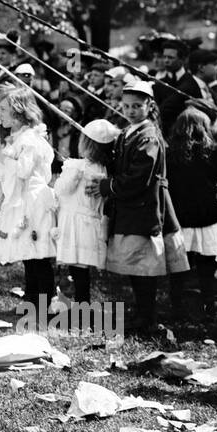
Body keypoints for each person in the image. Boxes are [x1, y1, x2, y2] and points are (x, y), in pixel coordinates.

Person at [90, 79, 188, 335]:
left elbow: (138, 177)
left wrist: (107, 186)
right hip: (131, 208)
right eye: (127, 106)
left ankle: (148, 316)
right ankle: (143, 311)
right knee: (136, 266)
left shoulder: (149, 137)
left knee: (144, 265)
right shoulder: (129, 132)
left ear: (149, 106)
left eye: (137, 106)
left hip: (144, 208)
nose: (131, 111)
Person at [0, 85, 59, 321]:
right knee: (29, 253)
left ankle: (43, 302)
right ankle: (32, 298)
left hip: (33, 201)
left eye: (3, 110)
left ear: (19, 112)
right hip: (25, 200)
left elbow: (22, 170)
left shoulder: (29, 140)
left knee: (38, 253)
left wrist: (5, 158)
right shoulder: (19, 138)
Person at [166, 107, 217, 320]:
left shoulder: (171, 154)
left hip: (182, 217)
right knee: (207, 265)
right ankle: (209, 303)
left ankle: (176, 305)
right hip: (209, 217)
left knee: (180, 266)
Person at [53, 118, 120, 305]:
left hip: (75, 223)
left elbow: (61, 189)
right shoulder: (104, 170)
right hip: (90, 223)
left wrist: (64, 176)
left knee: (77, 269)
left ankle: (81, 306)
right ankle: (81, 304)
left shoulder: (77, 167)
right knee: (81, 270)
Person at [160, 48, 217, 134]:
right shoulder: (186, 89)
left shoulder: (209, 91)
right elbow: (165, 111)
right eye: (215, 64)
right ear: (201, 67)